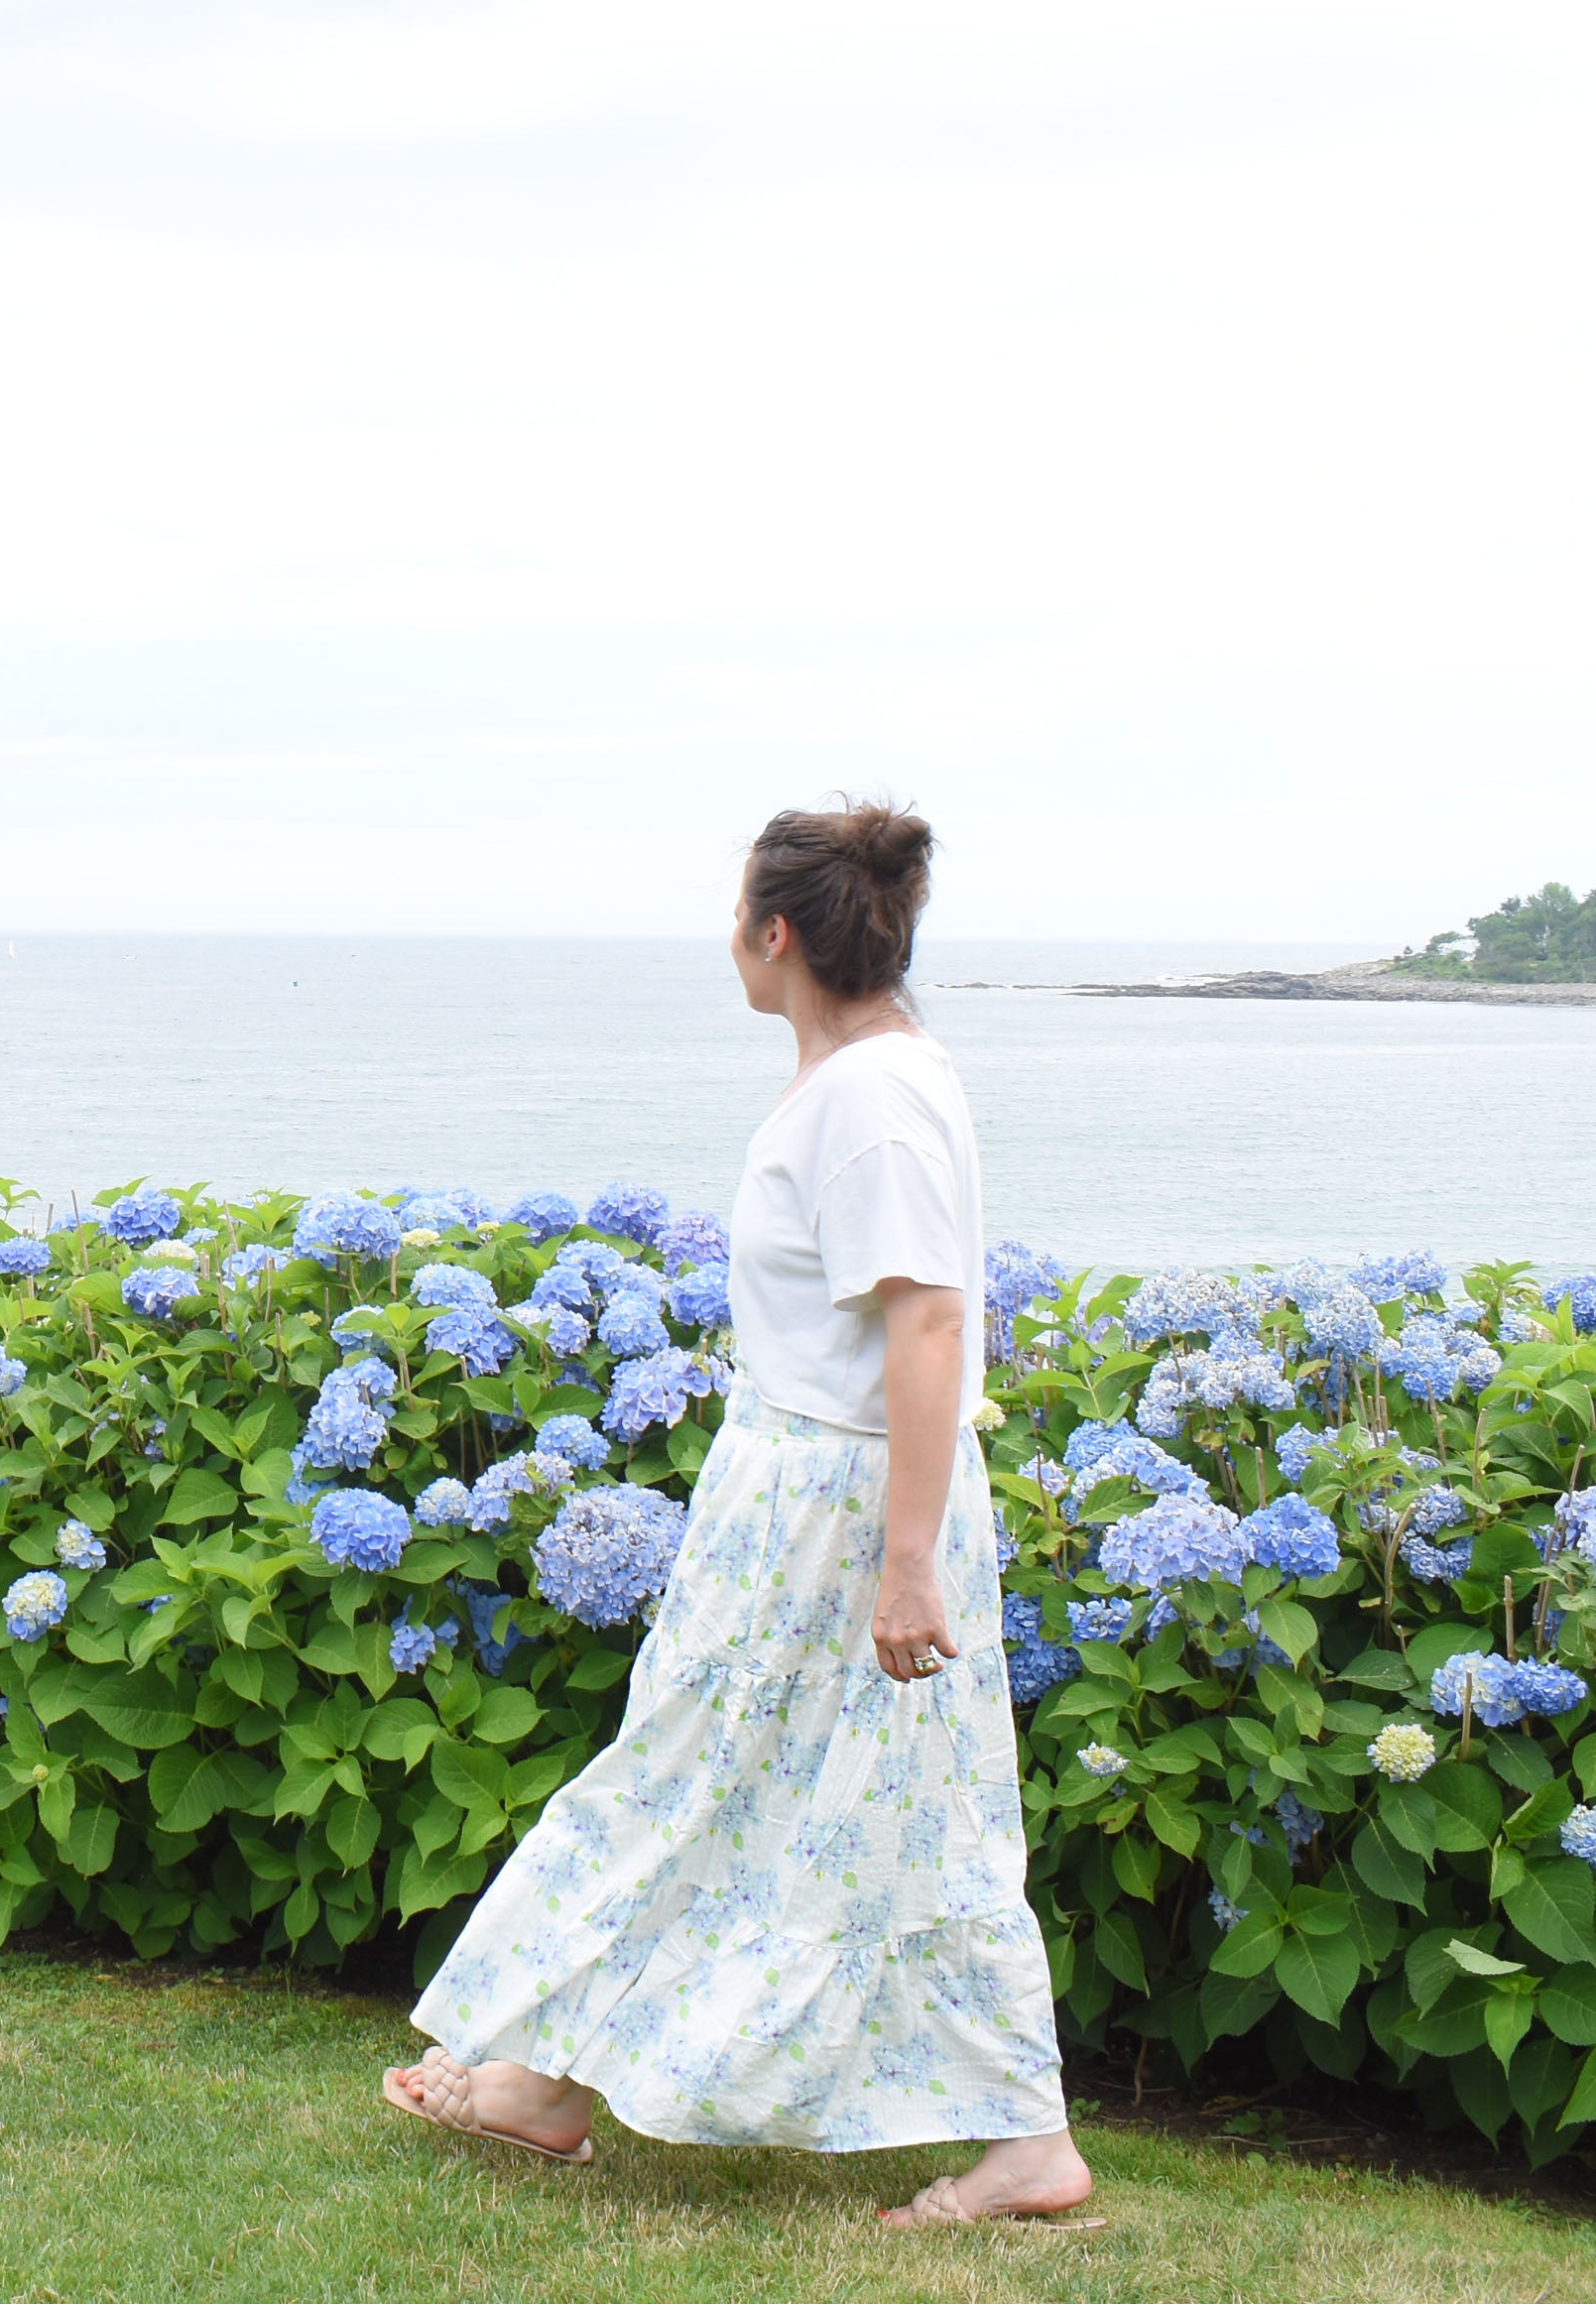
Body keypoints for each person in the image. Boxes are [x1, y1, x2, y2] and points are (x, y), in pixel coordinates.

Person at [384, 801, 1093, 2230]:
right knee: (758, 1787)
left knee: (772, 1788)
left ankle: (1022, 2144)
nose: (730, 939)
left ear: (776, 934)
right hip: (813, 1491)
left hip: (841, 1507)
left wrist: (906, 1563)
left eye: (736, 917)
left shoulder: (871, 1102)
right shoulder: (866, 1076)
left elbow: (931, 1323)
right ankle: (549, 2081)